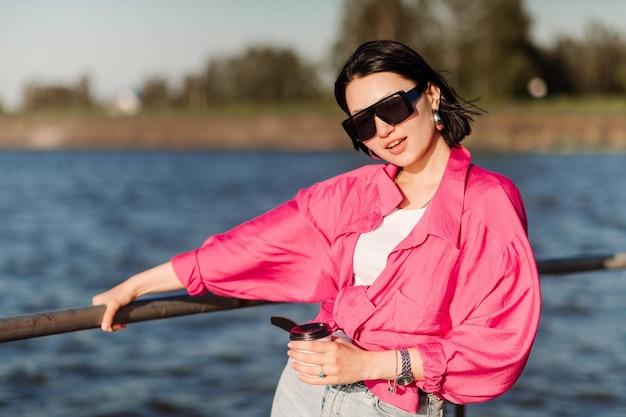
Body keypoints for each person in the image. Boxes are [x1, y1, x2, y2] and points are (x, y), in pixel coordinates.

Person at [93, 40, 541, 416]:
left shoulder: (485, 200)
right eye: (364, 122)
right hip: (303, 392)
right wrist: (135, 286)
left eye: (392, 107)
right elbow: (246, 248)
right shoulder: (350, 195)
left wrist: (370, 364)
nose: (383, 130)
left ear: (431, 94)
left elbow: (497, 342)